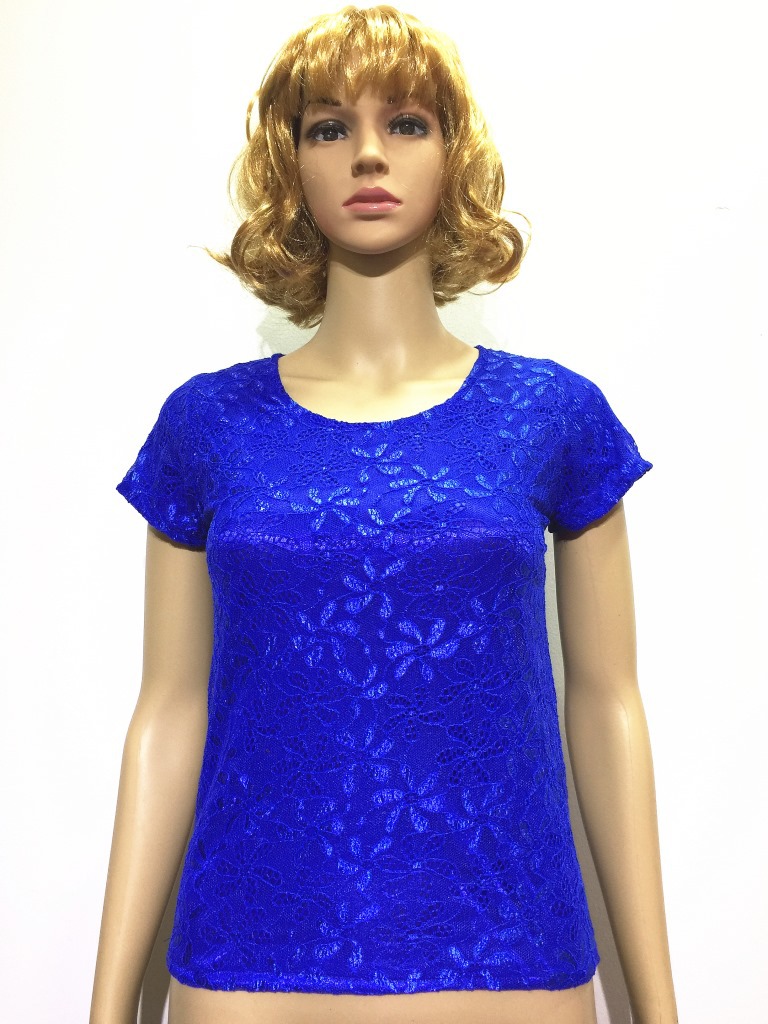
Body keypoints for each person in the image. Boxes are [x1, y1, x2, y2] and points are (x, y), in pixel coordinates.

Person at [90, 6, 678, 1024]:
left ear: (453, 155)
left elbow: (608, 704)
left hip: (508, 968)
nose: (369, 153)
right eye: (330, 127)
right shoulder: (208, 426)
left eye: (406, 122)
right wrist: (106, 1008)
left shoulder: (551, 415)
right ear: (291, 165)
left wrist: (659, 1009)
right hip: (247, 970)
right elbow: (169, 711)